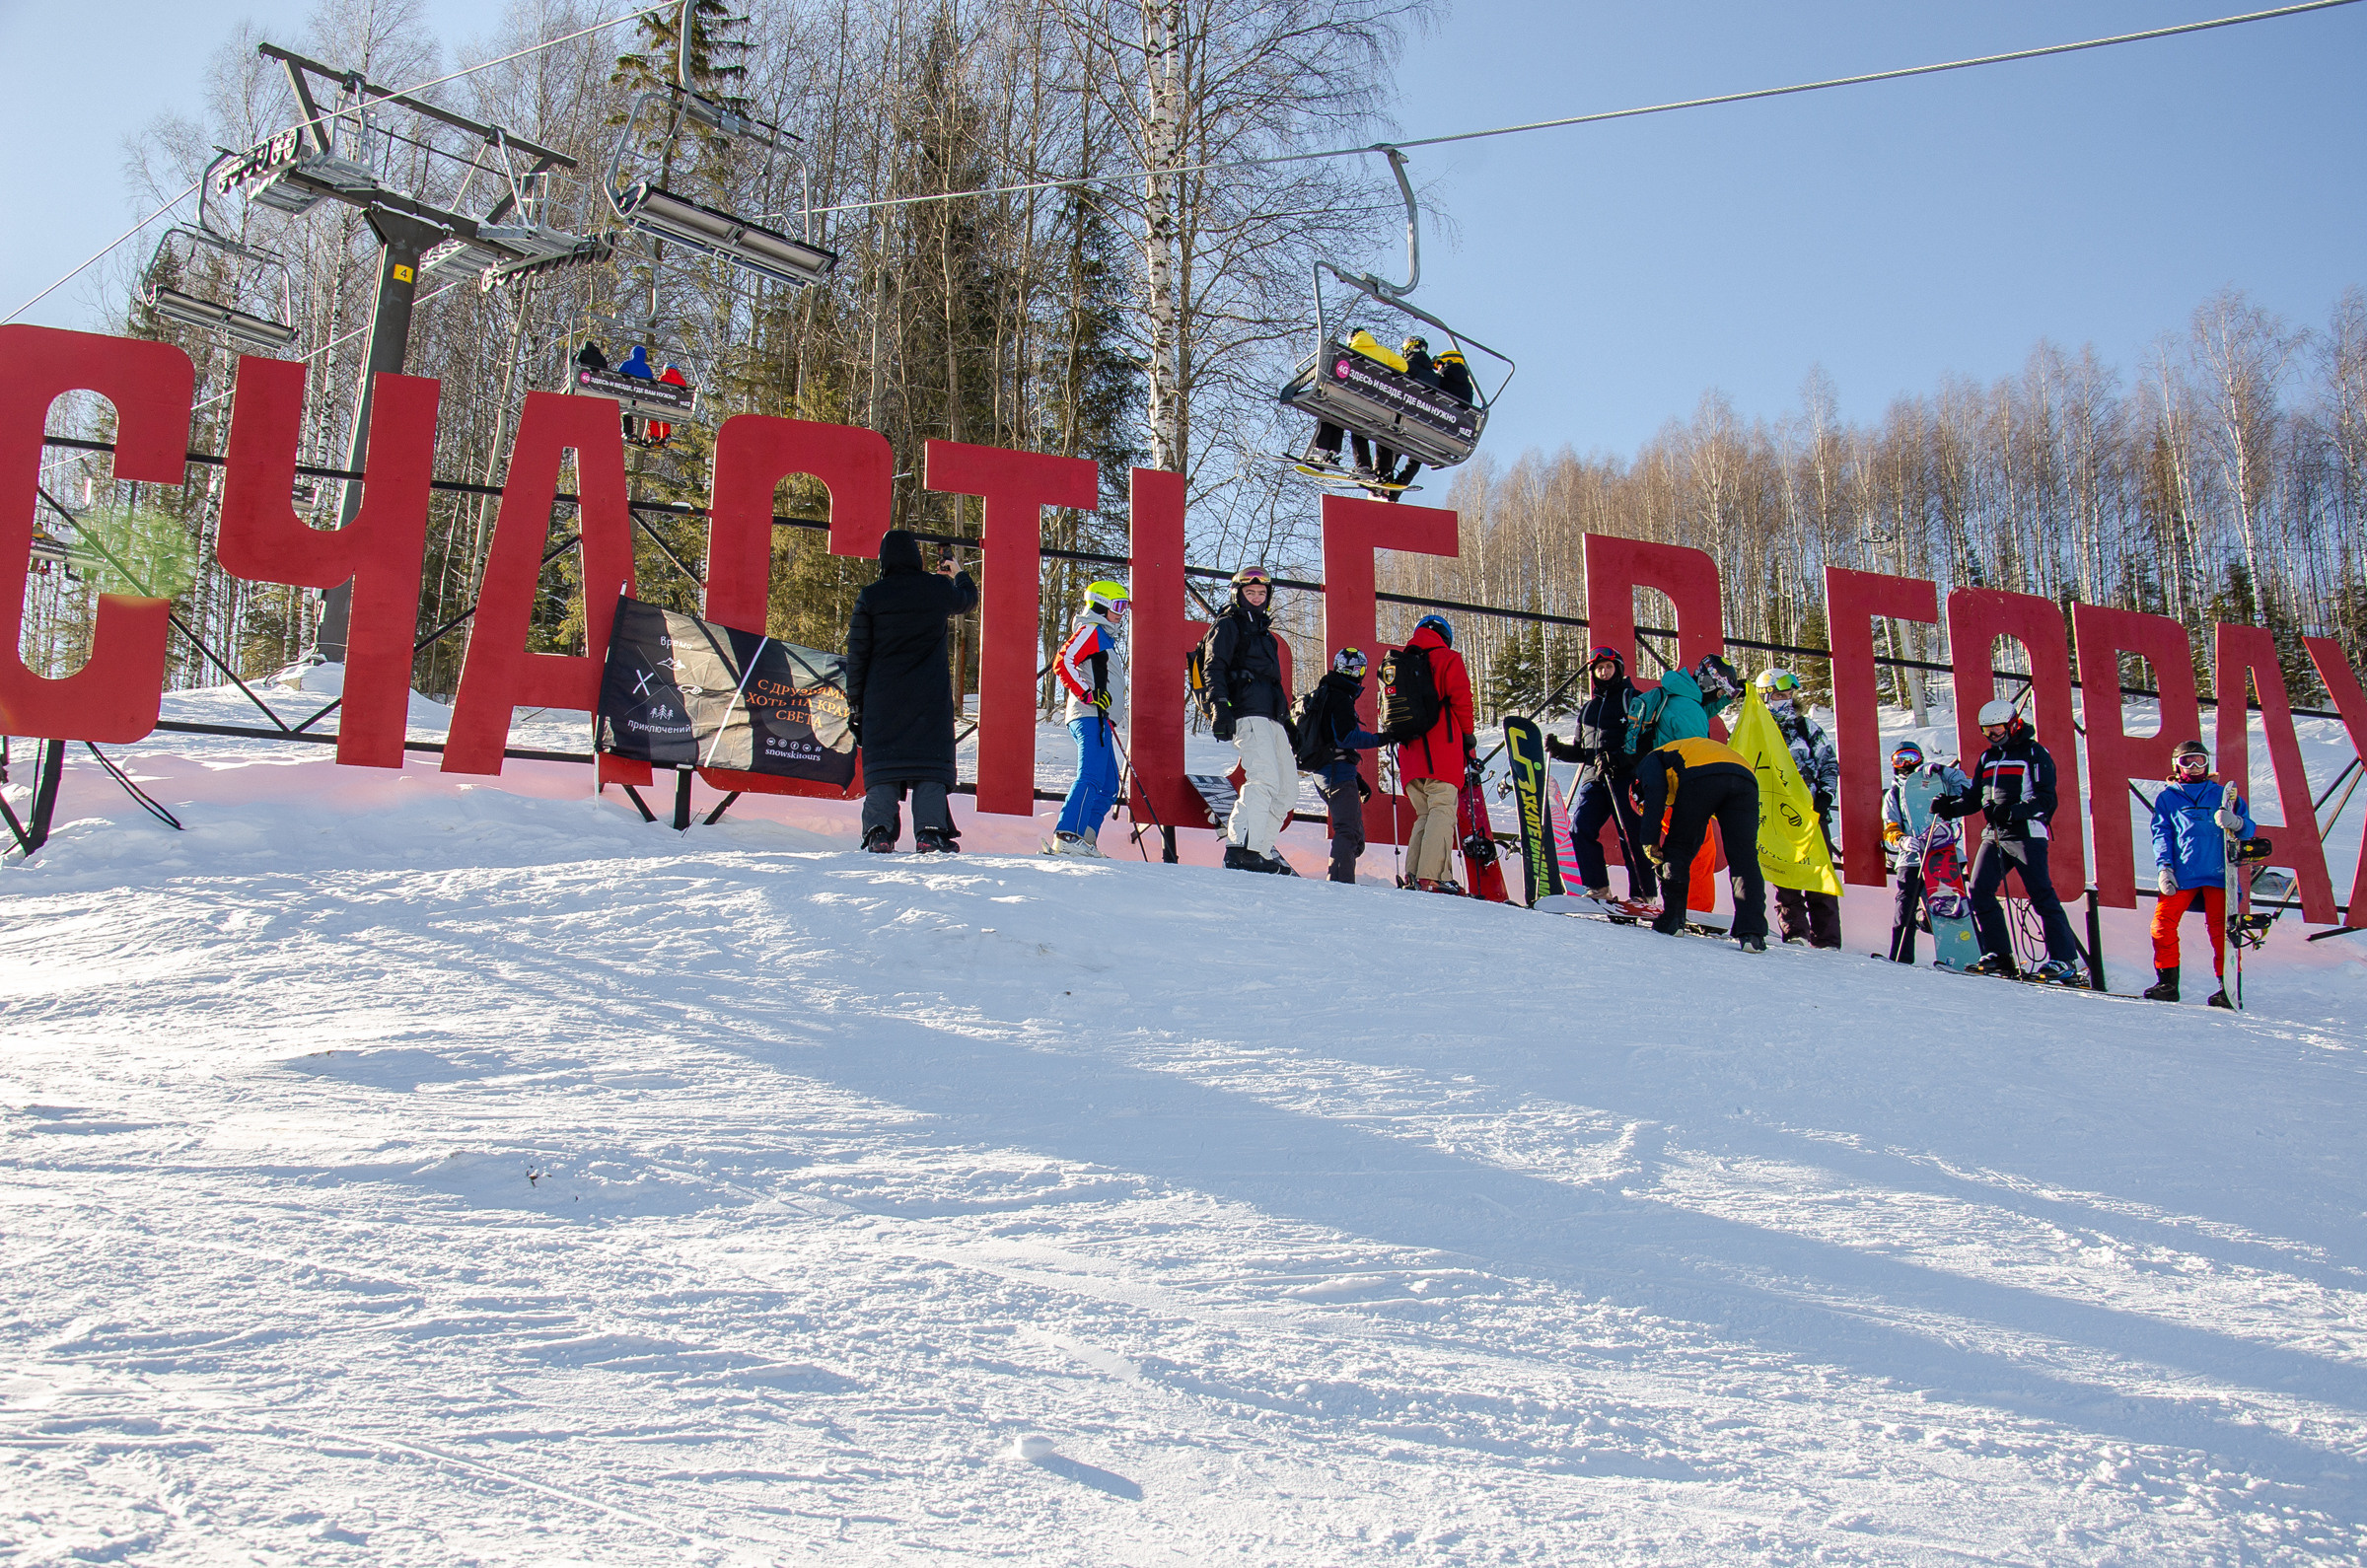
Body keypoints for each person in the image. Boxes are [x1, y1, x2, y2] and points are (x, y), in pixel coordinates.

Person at [844, 530, 977, 854]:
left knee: (885, 765)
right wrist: (956, 571)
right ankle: (930, 833)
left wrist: (856, 703)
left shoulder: (872, 595)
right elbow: (968, 599)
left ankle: (879, 832)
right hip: (928, 697)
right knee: (928, 764)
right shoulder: (935, 588)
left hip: (882, 697)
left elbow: (857, 654)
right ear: (916, 558)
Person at [1935, 698, 2084, 982]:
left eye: (1997, 729)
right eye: (1987, 731)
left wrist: (2012, 811)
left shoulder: (2034, 753)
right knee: (1979, 890)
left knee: (2041, 894)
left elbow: (2046, 799)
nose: (1992, 735)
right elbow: (1974, 798)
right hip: (1995, 835)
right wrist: (1949, 807)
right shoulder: (1987, 758)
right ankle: (1999, 955)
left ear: (2013, 723)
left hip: (2027, 833)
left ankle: (2064, 961)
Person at [1628, 735, 1770, 951]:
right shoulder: (1684, 750)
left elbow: (1655, 796)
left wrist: (1649, 841)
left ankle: (1673, 920)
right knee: (1744, 857)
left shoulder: (1650, 761)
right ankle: (1753, 933)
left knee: (1679, 848)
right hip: (1745, 778)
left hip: (1702, 774)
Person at [2145, 738, 2255, 1007]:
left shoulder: (2223, 794)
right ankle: (2167, 984)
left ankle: (2227, 986)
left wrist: (2237, 822)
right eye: (2187, 761)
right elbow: (2162, 834)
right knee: (2162, 925)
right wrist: (2164, 868)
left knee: (2222, 931)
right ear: (2176, 765)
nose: (2194, 767)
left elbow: (2249, 829)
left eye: (2200, 761)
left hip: (2219, 875)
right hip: (2183, 874)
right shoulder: (2168, 798)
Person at [1544, 645, 1653, 902]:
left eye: (1608, 667)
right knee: (1580, 828)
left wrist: (1619, 758)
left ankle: (1643, 894)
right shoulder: (1589, 709)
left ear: (1619, 669)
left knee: (1630, 835)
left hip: (1626, 778)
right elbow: (1585, 752)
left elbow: (1646, 742)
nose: (1604, 672)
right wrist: (1559, 750)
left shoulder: (1633, 700)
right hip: (1595, 779)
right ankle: (1598, 888)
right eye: (1599, 668)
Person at [1205, 565, 1296, 873]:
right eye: (1250, 592)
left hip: (1272, 717)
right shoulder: (1228, 625)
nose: (1256, 598)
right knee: (1264, 779)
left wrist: (1288, 723)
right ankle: (1240, 847)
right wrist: (1219, 707)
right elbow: (1213, 667)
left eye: (1261, 593)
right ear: (1238, 593)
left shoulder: (1267, 637)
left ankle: (1260, 851)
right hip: (1247, 712)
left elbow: (1274, 683)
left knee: (1287, 790)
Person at [1757, 668, 1842, 949]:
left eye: (1788, 694)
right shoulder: (1756, 728)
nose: (1786, 699)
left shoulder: (1806, 727)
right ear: (1765, 696)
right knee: (1785, 874)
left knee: (1818, 871)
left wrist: (1826, 796)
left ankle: (1827, 938)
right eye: (1779, 694)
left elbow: (1828, 763)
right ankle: (1795, 932)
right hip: (1774, 814)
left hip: (1811, 813)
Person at [1393, 613, 1478, 893]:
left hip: (1410, 753)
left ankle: (1414, 876)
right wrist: (1469, 742)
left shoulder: (1400, 663)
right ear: (1445, 635)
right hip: (1441, 749)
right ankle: (1432, 878)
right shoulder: (1448, 659)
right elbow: (1462, 701)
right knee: (1442, 809)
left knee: (1424, 814)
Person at [1048, 579, 1130, 857]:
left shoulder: (1104, 636)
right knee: (1092, 775)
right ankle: (1068, 834)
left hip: (1101, 719)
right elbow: (1063, 661)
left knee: (1109, 785)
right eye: (1118, 606)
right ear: (1101, 605)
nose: (1122, 613)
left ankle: (1085, 838)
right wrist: (1087, 694)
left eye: (1125, 607)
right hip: (1089, 716)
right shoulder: (1091, 630)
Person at [1881, 740, 1972, 963]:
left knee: (1947, 904)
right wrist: (1903, 841)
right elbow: (1890, 827)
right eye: (1900, 759)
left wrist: (1944, 771)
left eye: (1911, 757)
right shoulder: (1893, 793)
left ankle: (1963, 954)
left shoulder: (1937, 783)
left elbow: (1967, 788)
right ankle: (1901, 957)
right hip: (1911, 858)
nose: (1906, 764)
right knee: (1905, 905)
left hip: (1943, 854)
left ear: (1921, 759)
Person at [1303, 647, 1385, 884]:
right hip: (1335, 772)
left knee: (1355, 836)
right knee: (1348, 832)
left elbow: (1333, 738)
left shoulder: (1328, 692)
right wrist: (1381, 738)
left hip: (1330, 771)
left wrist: (1357, 779)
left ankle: (1340, 879)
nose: (1355, 673)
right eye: (1355, 669)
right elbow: (1346, 737)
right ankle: (1340, 885)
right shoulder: (1339, 696)